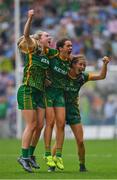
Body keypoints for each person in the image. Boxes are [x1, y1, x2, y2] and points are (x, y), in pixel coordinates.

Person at [50, 54, 111, 172]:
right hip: (59, 108)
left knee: (80, 141)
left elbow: (101, 76)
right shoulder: (63, 74)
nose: (83, 67)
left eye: (84, 65)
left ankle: (82, 165)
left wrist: (105, 64)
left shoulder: (82, 77)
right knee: (58, 139)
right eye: (80, 64)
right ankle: (51, 164)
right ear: (73, 65)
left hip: (73, 110)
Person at [17, 9, 57, 173]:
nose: (50, 38)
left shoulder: (46, 54)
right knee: (32, 124)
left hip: (40, 91)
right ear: (39, 39)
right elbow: (26, 35)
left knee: (40, 125)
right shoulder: (33, 47)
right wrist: (30, 18)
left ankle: (30, 156)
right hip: (28, 90)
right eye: (47, 36)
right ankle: (23, 157)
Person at [44, 38, 72, 170]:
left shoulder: (71, 61)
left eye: (71, 46)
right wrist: (44, 78)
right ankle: (47, 154)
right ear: (60, 48)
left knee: (61, 124)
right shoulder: (51, 54)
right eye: (68, 46)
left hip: (60, 94)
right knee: (49, 123)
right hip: (49, 93)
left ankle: (58, 156)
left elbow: (79, 68)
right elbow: (40, 61)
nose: (70, 48)